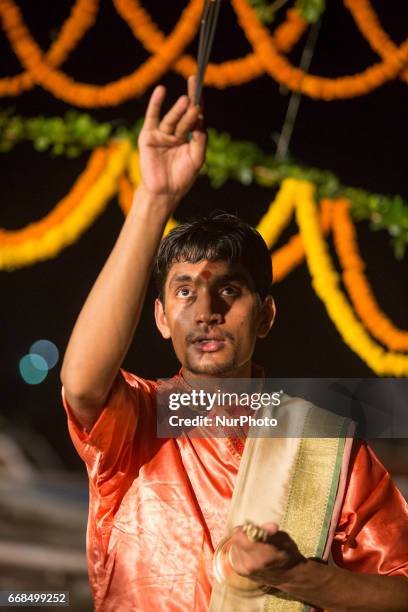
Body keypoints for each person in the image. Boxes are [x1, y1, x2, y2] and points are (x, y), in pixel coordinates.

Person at [60, 76, 408, 611]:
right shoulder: (137, 421)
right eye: (184, 291)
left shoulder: (324, 447)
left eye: (229, 290)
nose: (206, 311)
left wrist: (304, 578)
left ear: (265, 315)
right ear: (160, 317)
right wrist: (155, 198)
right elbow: (81, 382)